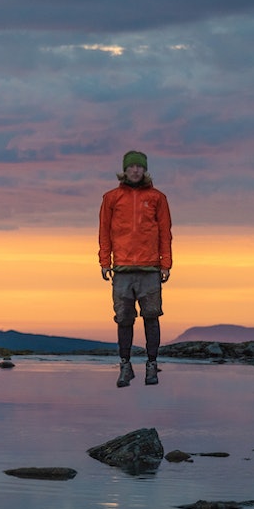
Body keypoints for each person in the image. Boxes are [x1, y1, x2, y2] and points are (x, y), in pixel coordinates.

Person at [98, 150, 173, 387]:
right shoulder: (111, 198)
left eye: (139, 167)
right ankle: (125, 366)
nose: (135, 170)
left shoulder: (157, 198)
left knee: (151, 317)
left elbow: (165, 233)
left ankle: (152, 366)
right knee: (124, 319)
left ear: (145, 170)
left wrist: (166, 264)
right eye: (131, 167)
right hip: (121, 269)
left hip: (150, 268)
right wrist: (104, 262)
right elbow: (104, 232)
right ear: (125, 169)